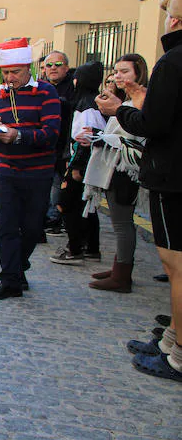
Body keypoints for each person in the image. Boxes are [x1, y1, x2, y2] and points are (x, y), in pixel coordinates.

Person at [97, 0, 182, 382]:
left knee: (175, 265)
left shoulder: (173, 61)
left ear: (174, 19)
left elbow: (153, 125)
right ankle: (171, 338)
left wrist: (121, 111)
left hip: (172, 176)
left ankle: (176, 350)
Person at [0, 38, 61, 300]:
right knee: (6, 226)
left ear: (28, 68)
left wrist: (18, 136)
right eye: (5, 72)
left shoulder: (47, 92)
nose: (10, 77)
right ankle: (10, 280)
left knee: (32, 227)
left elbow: (51, 133)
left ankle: (18, 267)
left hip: (38, 171)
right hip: (6, 170)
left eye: (15, 72)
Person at [82, 54, 148, 292]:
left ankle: (122, 274)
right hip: (115, 167)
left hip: (126, 169)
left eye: (125, 72)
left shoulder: (140, 102)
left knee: (122, 223)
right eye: (116, 71)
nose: (118, 76)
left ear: (138, 74)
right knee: (119, 222)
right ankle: (119, 266)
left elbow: (137, 135)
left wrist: (104, 137)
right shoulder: (127, 102)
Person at [49, 61, 104, 267]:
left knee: (67, 203)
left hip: (80, 163)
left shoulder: (86, 106)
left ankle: (75, 248)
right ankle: (91, 248)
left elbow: (86, 138)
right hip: (82, 161)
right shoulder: (89, 102)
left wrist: (77, 167)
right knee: (85, 206)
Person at [42, 51, 76, 234]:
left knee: (58, 184)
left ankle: (55, 217)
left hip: (65, 146)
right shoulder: (42, 87)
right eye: (49, 65)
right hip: (46, 145)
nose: (53, 68)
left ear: (66, 67)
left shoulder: (74, 87)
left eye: (58, 64)